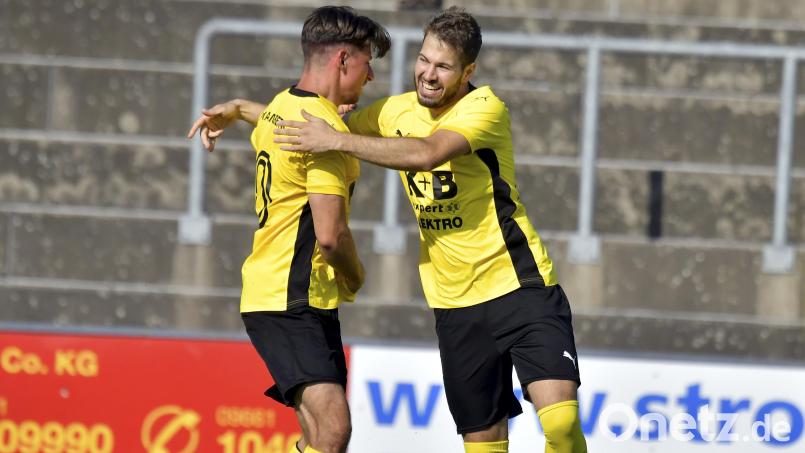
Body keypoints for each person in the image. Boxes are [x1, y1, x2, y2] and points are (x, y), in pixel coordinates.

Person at [193, 7, 586, 453]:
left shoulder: (485, 108)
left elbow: (426, 152)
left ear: (468, 71)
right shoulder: (394, 110)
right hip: (454, 303)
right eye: (423, 60)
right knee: (484, 443)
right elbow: (311, 126)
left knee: (561, 422)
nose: (429, 74)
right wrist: (244, 109)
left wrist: (337, 140)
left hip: (520, 284)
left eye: (443, 66)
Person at [187, 7, 390, 453]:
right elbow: (330, 235)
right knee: (335, 427)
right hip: (289, 296)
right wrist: (356, 275)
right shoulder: (324, 133)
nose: (371, 74)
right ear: (342, 60)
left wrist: (239, 108)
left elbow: (269, 121)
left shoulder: (283, 106)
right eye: (366, 60)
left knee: (319, 436)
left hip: (290, 293)